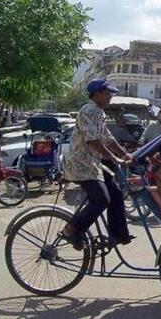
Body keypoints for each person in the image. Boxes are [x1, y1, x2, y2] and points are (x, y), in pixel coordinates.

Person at [60, 79, 134, 250]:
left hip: (92, 166)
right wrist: (114, 158)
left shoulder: (99, 113)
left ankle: (118, 234)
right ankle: (71, 229)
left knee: (115, 193)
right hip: (80, 166)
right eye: (108, 94)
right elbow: (93, 141)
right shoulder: (88, 111)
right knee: (102, 199)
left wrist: (124, 153)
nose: (110, 97)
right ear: (97, 94)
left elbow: (108, 138)